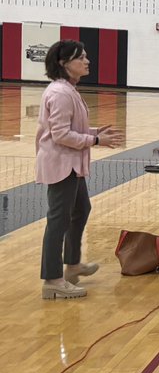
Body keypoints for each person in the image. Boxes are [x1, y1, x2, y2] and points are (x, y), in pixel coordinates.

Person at [36, 40, 125, 300]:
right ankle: (52, 280)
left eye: (86, 57)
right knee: (58, 221)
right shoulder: (61, 93)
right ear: (64, 63)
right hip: (61, 163)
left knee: (80, 209)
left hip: (72, 163)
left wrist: (96, 132)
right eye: (81, 58)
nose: (87, 61)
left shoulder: (69, 90)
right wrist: (95, 140)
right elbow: (61, 135)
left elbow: (72, 127)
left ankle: (72, 265)